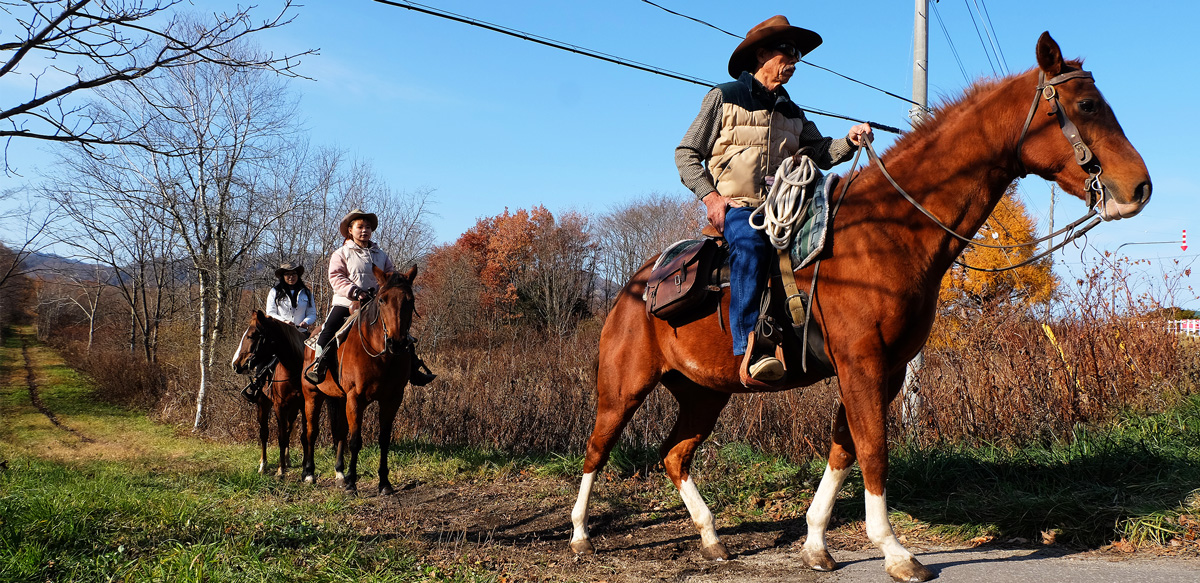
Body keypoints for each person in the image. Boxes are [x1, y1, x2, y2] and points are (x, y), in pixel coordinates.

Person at [675, 15, 873, 382]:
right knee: (750, 245)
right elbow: (686, 153)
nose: (795, 61)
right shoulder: (724, 96)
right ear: (762, 53)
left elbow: (821, 153)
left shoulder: (792, 111)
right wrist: (712, 199)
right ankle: (751, 349)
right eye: (789, 51)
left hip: (786, 209)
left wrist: (850, 139)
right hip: (740, 209)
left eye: (798, 54)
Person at [304, 209, 436, 386]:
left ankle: (413, 369)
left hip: (377, 302)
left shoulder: (380, 254)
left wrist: (399, 282)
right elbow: (336, 277)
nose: (364, 230)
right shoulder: (341, 253)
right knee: (329, 330)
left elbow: (390, 276)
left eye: (368, 227)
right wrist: (355, 292)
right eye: (360, 227)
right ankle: (318, 365)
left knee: (401, 332)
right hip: (347, 302)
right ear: (350, 230)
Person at [265, 262, 317, 335]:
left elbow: (312, 313)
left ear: (298, 275)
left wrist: (306, 322)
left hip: (301, 333)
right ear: (282, 276)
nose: (291, 277)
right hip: (281, 333)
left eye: (294, 274)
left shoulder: (306, 292)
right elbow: (270, 313)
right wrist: (284, 321)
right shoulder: (275, 292)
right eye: (287, 274)